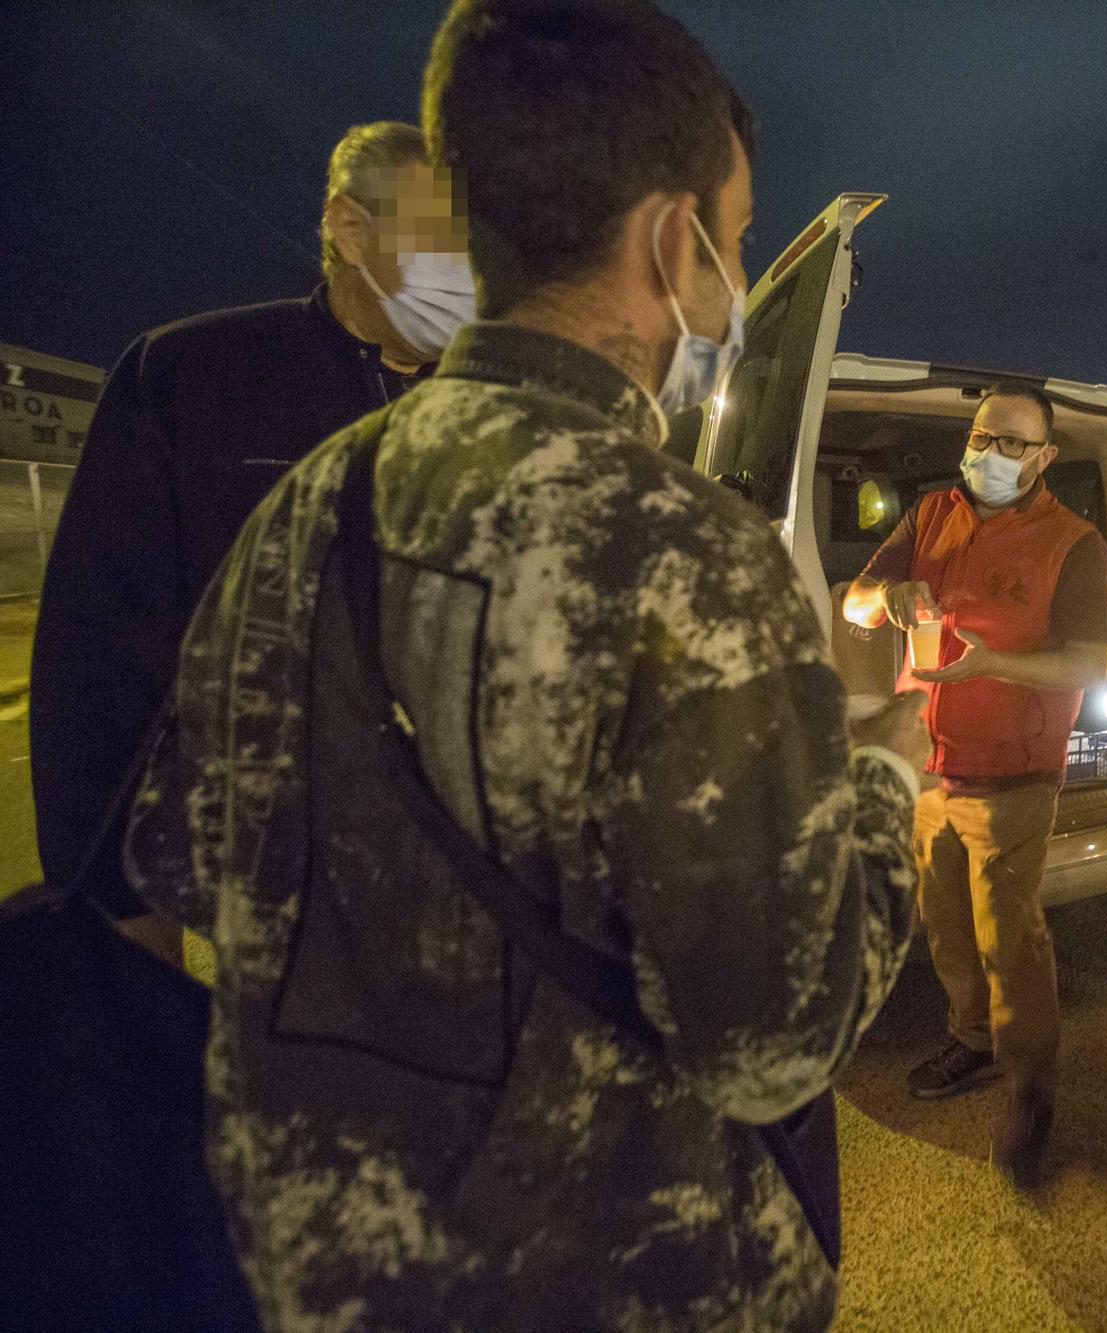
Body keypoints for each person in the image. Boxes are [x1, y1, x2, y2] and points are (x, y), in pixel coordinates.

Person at [118, 1, 923, 1327]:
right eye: (729, 240)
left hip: (328, 1278)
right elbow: (774, 1042)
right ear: (671, 240)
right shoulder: (688, 554)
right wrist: (883, 789)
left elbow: (188, 861)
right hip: (616, 1281)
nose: (729, 280)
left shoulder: (301, 512)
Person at [2, 120, 467, 1330]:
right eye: (440, 236)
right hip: (275, 908)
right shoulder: (193, 379)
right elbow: (98, 666)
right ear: (348, 229)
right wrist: (119, 917)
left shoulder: (485, 407)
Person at [842, 382, 1107, 1188]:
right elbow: (857, 601)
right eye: (981, 436)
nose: (989, 454)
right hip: (931, 760)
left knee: (1010, 934)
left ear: (1044, 457)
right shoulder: (930, 516)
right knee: (944, 920)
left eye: (1011, 443)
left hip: (1014, 774)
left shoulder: (1075, 541)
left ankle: (1032, 1088)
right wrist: (886, 595)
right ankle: (972, 1035)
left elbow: (1089, 663)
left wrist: (993, 662)